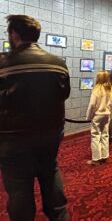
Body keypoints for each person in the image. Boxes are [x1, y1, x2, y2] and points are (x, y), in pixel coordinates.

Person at [0, 15, 70, 220]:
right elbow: (63, 95)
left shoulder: (3, 63)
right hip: (50, 135)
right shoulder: (58, 64)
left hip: (13, 140)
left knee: (20, 189)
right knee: (50, 172)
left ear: (14, 33)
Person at [86, 71, 112, 165]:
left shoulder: (97, 88)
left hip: (97, 115)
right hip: (107, 114)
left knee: (95, 135)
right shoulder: (111, 88)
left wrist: (88, 116)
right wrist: (111, 116)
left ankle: (96, 159)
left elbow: (92, 104)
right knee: (105, 134)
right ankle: (104, 156)